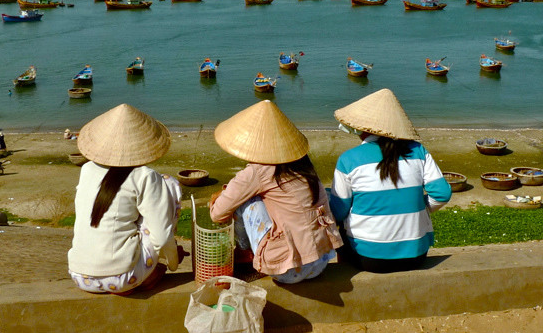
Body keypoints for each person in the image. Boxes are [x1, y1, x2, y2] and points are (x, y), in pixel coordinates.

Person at [208, 100, 342, 284]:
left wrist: (220, 198)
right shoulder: (304, 164)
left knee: (246, 202)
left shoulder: (258, 171)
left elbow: (218, 214)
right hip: (320, 262)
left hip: (288, 270)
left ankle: (245, 256)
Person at [329, 89, 452, 273]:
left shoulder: (349, 159)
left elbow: (339, 211)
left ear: (361, 127)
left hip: (368, 258)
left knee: (340, 226)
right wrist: (421, 207)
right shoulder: (418, 151)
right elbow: (442, 194)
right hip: (416, 256)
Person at [67, 104, 181, 295]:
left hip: (79, 276)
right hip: (123, 277)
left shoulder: (86, 170)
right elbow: (160, 237)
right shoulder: (145, 176)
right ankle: (144, 277)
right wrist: (173, 261)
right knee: (169, 184)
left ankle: (137, 274)